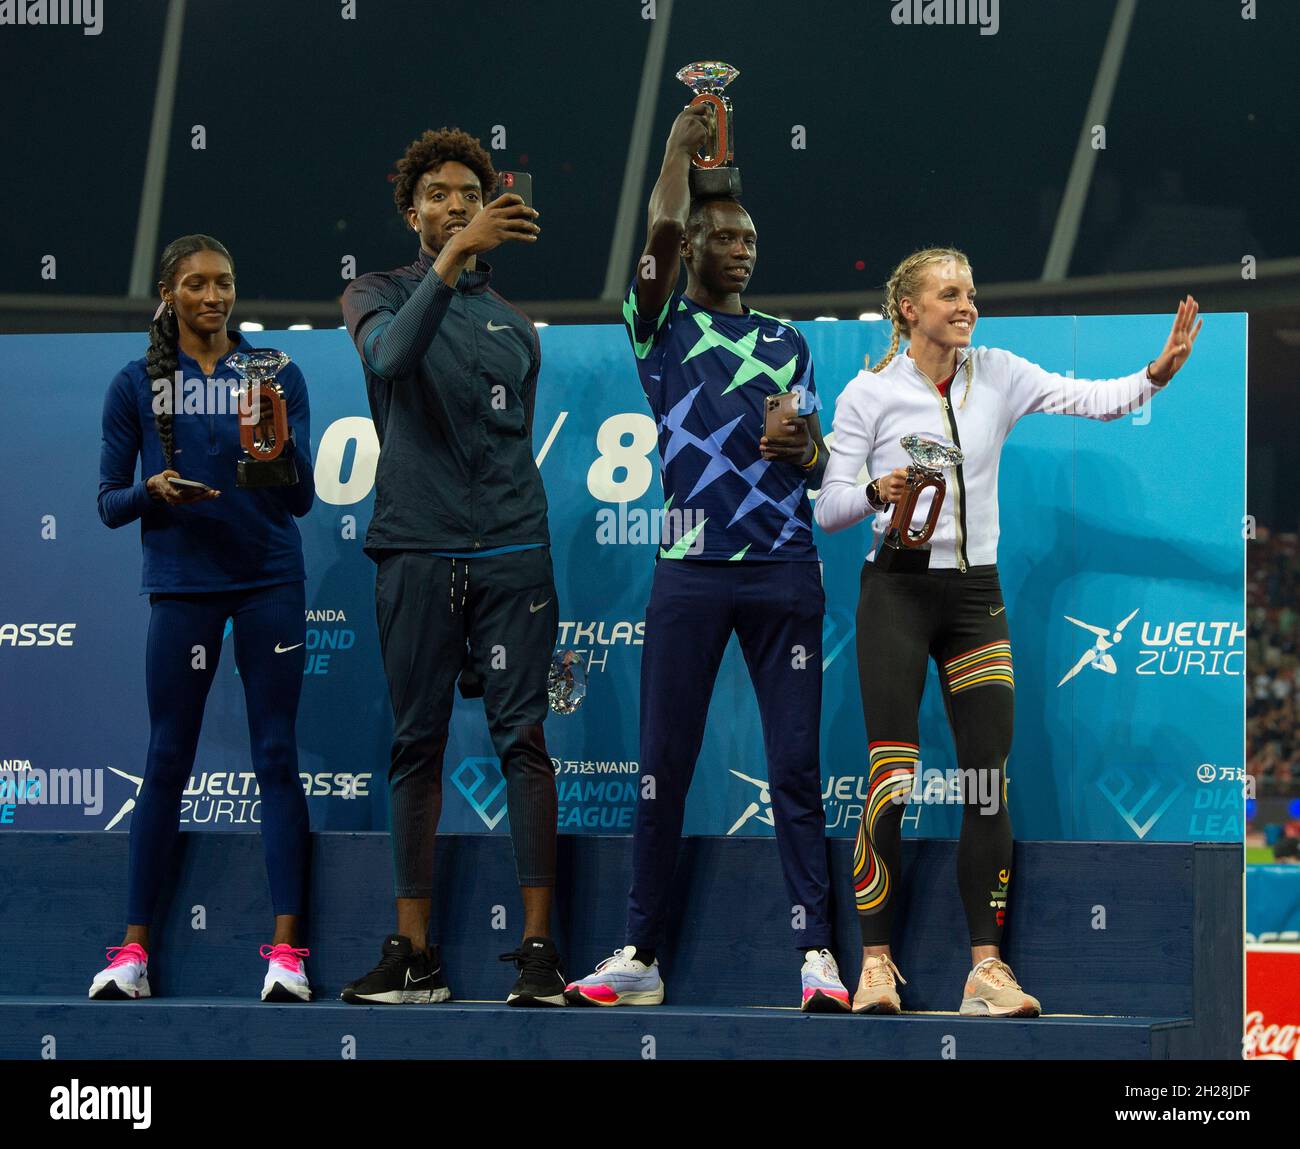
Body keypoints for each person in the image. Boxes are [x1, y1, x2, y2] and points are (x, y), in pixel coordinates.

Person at [815, 246, 1201, 1015]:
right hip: (894, 593)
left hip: (973, 599)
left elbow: (1092, 398)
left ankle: (985, 972)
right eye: (950, 293)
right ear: (909, 310)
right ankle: (878, 965)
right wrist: (873, 489)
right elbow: (826, 508)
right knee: (891, 777)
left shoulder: (1000, 372)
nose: (967, 305)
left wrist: (1154, 375)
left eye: (972, 292)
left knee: (987, 782)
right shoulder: (869, 392)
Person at [564, 105, 850, 1012]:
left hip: (783, 567)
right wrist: (676, 157)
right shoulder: (660, 330)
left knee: (795, 768)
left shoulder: (789, 340)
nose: (740, 246)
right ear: (688, 248)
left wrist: (802, 448)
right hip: (690, 569)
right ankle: (641, 953)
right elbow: (653, 233)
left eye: (748, 235)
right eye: (720, 234)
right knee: (662, 765)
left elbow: (822, 467)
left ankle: (818, 956)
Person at [339, 128, 565, 1006]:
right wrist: (453, 261)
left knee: (525, 741)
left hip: (513, 548)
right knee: (415, 744)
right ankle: (415, 955)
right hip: (417, 546)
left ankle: (541, 951)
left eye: (471, 192)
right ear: (412, 211)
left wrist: (469, 265)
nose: (458, 204)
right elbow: (391, 360)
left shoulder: (515, 324)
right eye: (438, 193)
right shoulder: (375, 292)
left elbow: (508, 445)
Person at [91, 234, 317, 1002]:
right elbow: (108, 504)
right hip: (184, 586)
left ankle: (287, 955)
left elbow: (301, 500)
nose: (213, 296)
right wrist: (155, 490)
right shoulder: (135, 385)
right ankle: (133, 953)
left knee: (277, 756)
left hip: (269, 583)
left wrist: (280, 451)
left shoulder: (275, 374)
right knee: (165, 761)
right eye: (195, 284)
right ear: (170, 294)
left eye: (223, 282)